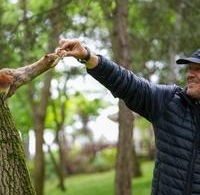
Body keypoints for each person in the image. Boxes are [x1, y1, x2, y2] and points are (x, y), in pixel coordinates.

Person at [56, 39, 200, 195]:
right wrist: (88, 56)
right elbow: (128, 83)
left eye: (198, 69)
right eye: (190, 68)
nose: (190, 74)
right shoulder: (168, 101)